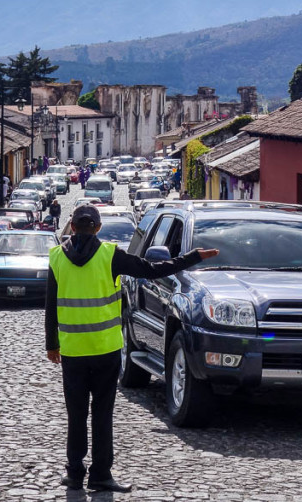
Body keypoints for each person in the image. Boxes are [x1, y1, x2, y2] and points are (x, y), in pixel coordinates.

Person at [45, 205, 219, 492]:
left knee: (76, 414)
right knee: (102, 413)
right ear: (98, 228)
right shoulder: (110, 255)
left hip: (73, 350)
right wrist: (193, 257)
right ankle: (101, 474)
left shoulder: (56, 258)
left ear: (72, 227)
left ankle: (74, 473)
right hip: (106, 348)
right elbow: (152, 270)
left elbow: (50, 306)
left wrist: (52, 344)